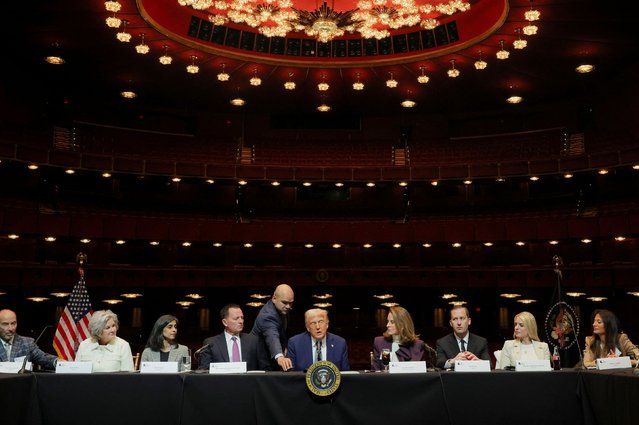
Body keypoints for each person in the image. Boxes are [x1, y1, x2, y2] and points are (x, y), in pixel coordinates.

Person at [198, 304, 264, 370]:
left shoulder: (254, 341)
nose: (241, 321)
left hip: (247, 380)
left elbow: (265, 368)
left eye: (242, 318)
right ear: (225, 322)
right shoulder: (211, 343)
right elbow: (204, 371)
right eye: (236, 318)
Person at [250, 284, 294, 371]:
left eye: (291, 302)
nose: (288, 306)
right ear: (274, 298)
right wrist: (279, 356)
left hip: (269, 357)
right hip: (260, 360)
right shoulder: (267, 316)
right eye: (285, 302)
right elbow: (272, 336)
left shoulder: (282, 308)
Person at [372, 305, 425, 370]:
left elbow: (415, 370)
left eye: (392, 322)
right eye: (387, 321)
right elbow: (375, 370)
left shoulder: (417, 345)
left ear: (402, 325)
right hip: (384, 380)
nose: (387, 325)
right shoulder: (379, 342)